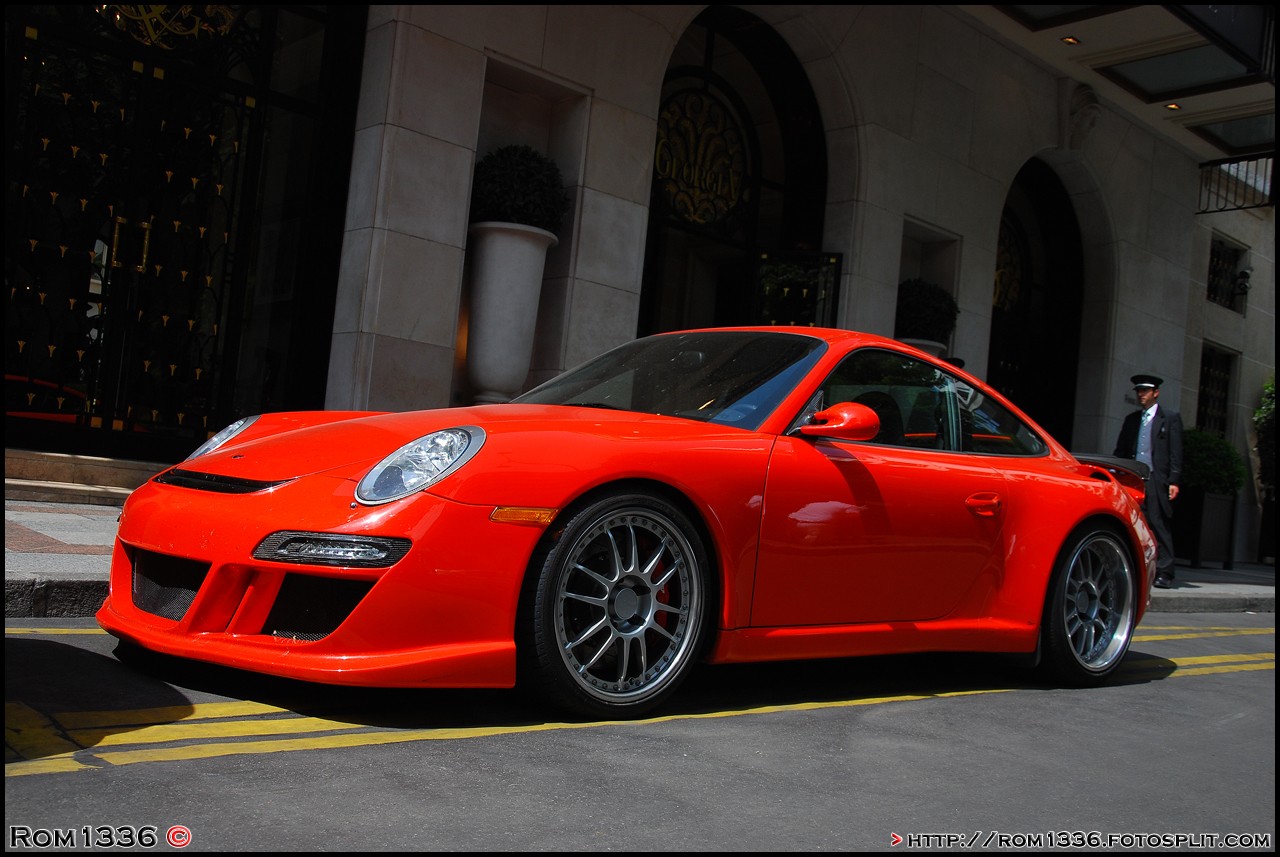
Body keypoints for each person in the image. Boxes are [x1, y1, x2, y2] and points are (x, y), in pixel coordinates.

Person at [1114, 374, 1183, 588]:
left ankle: (1165, 572)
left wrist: (1174, 480)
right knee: (1134, 521)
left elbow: (1176, 452)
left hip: (1156, 478)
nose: (1141, 395)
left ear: (1156, 393)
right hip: (1134, 477)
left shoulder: (1169, 418)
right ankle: (1137, 568)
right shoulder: (1132, 420)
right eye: (1138, 391)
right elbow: (1121, 450)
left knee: (1158, 522)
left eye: (1145, 391)